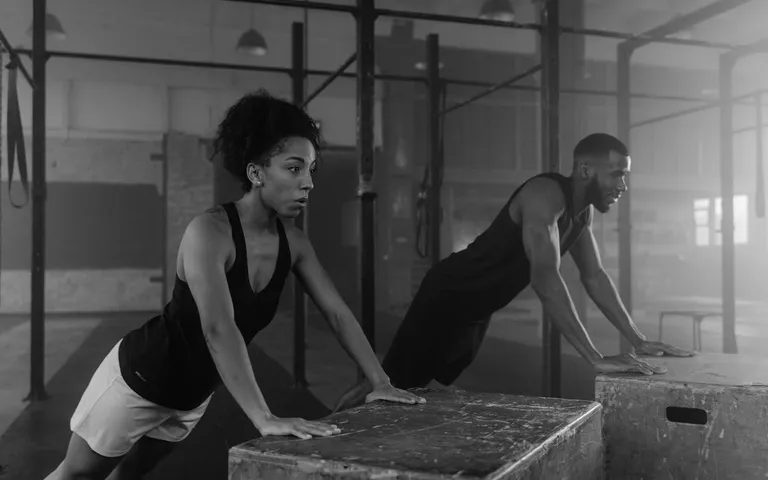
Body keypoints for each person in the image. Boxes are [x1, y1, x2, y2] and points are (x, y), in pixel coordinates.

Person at [45, 90, 425, 480]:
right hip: (140, 380)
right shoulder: (208, 233)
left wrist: (379, 381)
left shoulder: (294, 244)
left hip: (191, 398)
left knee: (127, 477)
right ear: (256, 173)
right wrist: (264, 418)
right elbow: (218, 329)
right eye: (294, 168)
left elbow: (337, 312)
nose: (308, 182)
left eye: (311, 169)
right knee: (76, 476)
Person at [334, 133, 694, 412]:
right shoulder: (545, 194)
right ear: (585, 169)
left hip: (476, 310)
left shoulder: (582, 215)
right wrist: (594, 357)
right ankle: (326, 432)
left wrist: (637, 338)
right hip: (447, 298)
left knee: (419, 387)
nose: (622, 186)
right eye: (617, 174)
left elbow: (595, 276)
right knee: (384, 384)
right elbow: (545, 278)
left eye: (625, 176)